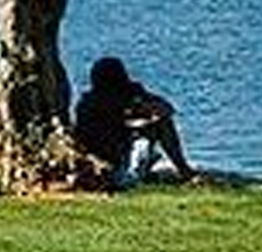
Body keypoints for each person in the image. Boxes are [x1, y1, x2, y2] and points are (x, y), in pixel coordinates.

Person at [74, 55, 195, 184]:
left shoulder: (129, 92)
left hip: (123, 148)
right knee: (154, 130)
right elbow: (110, 129)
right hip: (107, 156)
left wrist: (142, 109)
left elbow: (166, 108)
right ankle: (182, 171)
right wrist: (138, 119)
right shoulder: (90, 104)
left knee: (161, 124)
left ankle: (182, 170)